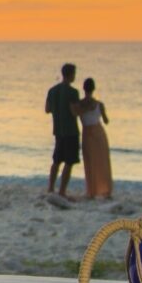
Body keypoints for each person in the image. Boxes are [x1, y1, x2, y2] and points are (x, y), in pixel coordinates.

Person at [44, 63, 80, 197]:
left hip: (58, 130)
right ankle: (62, 191)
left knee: (56, 161)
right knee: (69, 162)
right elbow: (75, 112)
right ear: (71, 75)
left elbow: (47, 109)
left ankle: (50, 188)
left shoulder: (52, 91)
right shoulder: (73, 92)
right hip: (70, 131)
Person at [74, 77, 113, 200]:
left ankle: (91, 191)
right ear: (94, 89)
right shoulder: (99, 104)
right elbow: (106, 121)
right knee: (102, 162)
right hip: (99, 133)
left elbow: (77, 115)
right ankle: (105, 190)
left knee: (90, 163)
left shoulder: (80, 104)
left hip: (87, 134)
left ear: (84, 89)